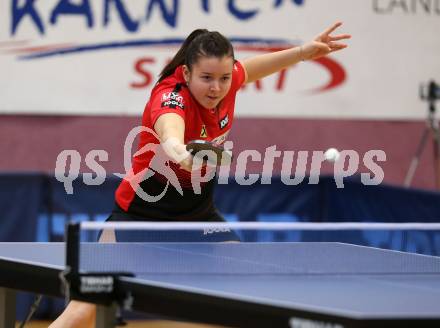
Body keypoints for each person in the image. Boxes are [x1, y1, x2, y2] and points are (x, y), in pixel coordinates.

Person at [49, 22, 350, 328]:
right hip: (140, 215)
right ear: (188, 73)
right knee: (84, 309)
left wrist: (302, 52)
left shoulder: (227, 82)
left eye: (224, 78)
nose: (216, 88)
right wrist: (179, 152)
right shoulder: (171, 96)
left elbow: (252, 69)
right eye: (206, 78)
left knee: (254, 292)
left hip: (198, 215)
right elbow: (169, 127)